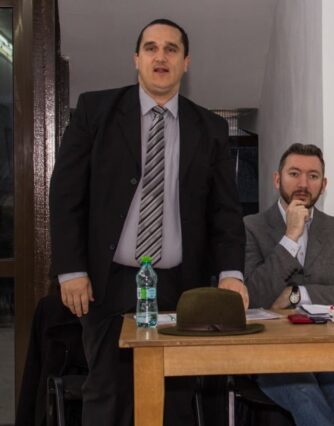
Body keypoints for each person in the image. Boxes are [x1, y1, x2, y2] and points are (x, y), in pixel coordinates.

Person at [49, 19, 247, 426]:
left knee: (174, 400)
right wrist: (71, 269)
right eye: (151, 48)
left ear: (186, 62)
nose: (161, 57)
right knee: (109, 393)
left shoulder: (209, 128)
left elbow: (225, 210)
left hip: (180, 286)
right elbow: (66, 193)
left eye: (171, 49)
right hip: (108, 283)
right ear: (136, 59)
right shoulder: (95, 111)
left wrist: (231, 273)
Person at [244, 143, 334, 426]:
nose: (303, 183)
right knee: (307, 398)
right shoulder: (250, 227)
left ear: (323, 185)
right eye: (294, 174)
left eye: (313, 176)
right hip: (274, 350)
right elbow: (252, 298)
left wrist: (296, 295)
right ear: (277, 179)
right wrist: (291, 236)